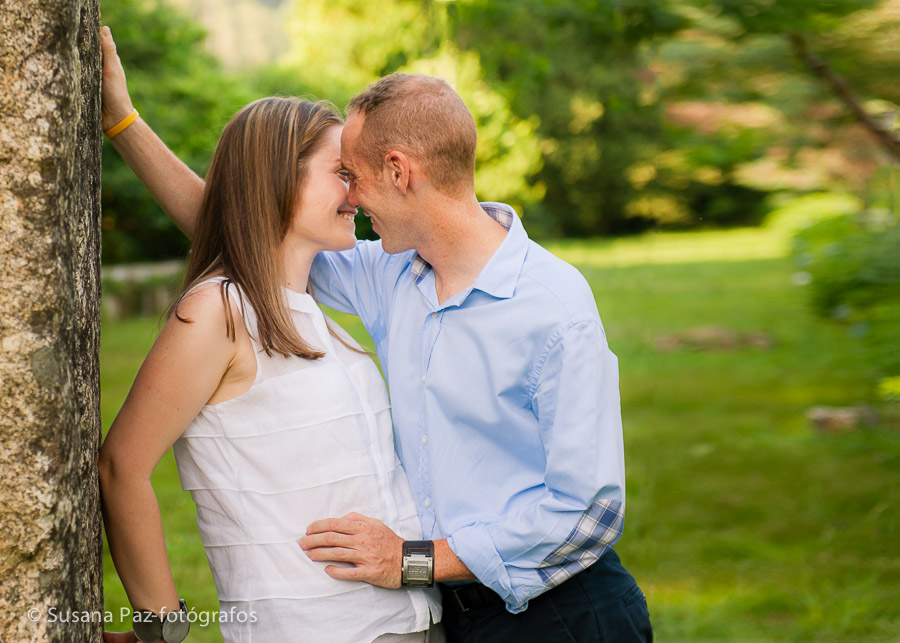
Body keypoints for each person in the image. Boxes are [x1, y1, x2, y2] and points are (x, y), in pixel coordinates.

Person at [101, 26, 652, 643]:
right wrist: (123, 124)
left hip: (562, 615)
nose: (353, 198)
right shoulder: (394, 275)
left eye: (352, 174)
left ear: (398, 171)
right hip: (451, 618)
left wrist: (412, 560)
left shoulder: (551, 306)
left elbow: (588, 513)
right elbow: (250, 224)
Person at [98, 30, 442, 643]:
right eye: (342, 172)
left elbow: (232, 220)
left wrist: (124, 123)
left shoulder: (310, 309)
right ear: (278, 181)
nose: (358, 191)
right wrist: (163, 629)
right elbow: (123, 465)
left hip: (409, 622)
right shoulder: (221, 311)